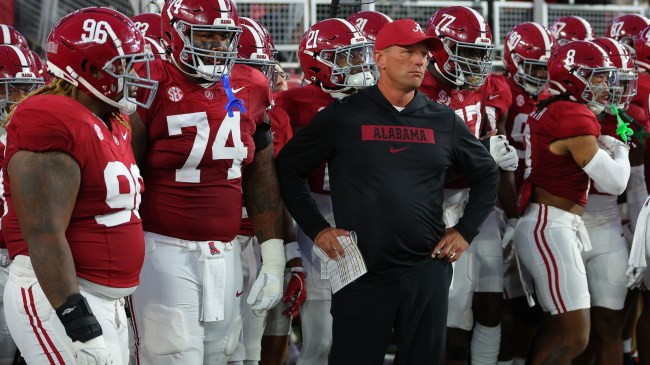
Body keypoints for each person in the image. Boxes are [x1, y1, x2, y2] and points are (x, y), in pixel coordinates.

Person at [276, 18, 500, 365]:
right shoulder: (345, 115)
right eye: (408, 52)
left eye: (424, 54)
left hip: (427, 268)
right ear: (379, 58)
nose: (419, 61)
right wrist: (317, 228)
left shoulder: (443, 119)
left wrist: (466, 230)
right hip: (362, 270)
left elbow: (487, 173)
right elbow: (288, 168)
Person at [127, 0, 288, 364]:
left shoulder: (251, 85)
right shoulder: (150, 82)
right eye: (206, 34)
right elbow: (128, 174)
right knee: (174, 354)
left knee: (220, 353)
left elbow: (261, 178)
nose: (217, 46)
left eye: (224, 36)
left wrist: (274, 259)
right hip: (163, 248)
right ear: (174, 34)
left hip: (225, 250)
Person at [2, 7, 157, 365]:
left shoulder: (113, 120)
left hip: (106, 300)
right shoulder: (51, 119)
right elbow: (43, 234)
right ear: (89, 69)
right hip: (57, 295)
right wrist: (77, 320)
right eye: (124, 65)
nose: (135, 74)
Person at [514, 40, 630, 365]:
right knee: (576, 337)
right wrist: (621, 150)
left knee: (558, 332)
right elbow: (616, 181)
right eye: (596, 77)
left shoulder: (558, 106)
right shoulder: (571, 114)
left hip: (558, 224)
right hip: (549, 226)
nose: (606, 86)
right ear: (572, 77)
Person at [278, 17, 378, 365]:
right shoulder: (293, 102)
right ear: (318, 63)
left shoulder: (376, 100)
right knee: (320, 340)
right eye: (346, 58)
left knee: (362, 335)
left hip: (367, 218)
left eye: (358, 56)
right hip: (317, 217)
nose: (358, 65)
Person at [421, 6, 516, 364]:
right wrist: (479, 154)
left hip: (477, 204)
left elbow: (494, 138)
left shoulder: (491, 88)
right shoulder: (419, 90)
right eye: (469, 52)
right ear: (440, 49)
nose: (478, 62)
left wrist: (497, 154)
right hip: (434, 207)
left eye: (482, 53)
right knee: (449, 316)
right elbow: (421, 168)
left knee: (489, 303)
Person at [499, 22, 557, 365]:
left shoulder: (552, 96)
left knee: (535, 304)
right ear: (514, 62)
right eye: (534, 66)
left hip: (536, 205)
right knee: (505, 300)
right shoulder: (501, 90)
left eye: (545, 67)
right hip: (503, 203)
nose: (540, 75)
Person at [0, 43, 43, 365]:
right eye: (14, 90)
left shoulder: (40, 134)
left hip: (34, 260)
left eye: (30, 89)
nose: (23, 100)